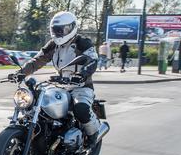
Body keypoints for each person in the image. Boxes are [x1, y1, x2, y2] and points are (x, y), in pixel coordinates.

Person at [9, 11, 109, 147]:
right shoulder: (53, 45)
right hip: (59, 85)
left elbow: (92, 60)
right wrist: (21, 73)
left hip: (81, 86)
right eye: (55, 30)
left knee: (80, 108)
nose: (58, 33)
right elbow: (37, 60)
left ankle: (93, 135)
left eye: (61, 30)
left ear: (71, 28)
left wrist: (82, 74)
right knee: (35, 103)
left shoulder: (82, 43)